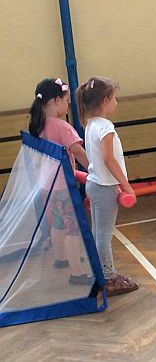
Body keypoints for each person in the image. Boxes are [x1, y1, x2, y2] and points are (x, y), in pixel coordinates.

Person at [76, 76, 139, 295]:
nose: (116, 102)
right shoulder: (105, 127)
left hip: (95, 185)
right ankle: (108, 276)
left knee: (98, 232)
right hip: (103, 188)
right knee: (104, 234)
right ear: (104, 101)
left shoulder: (90, 124)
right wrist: (126, 185)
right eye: (114, 98)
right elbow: (108, 159)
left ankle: (99, 272)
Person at [29, 77, 91, 285]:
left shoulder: (38, 125)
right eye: (66, 101)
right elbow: (78, 151)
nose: (67, 105)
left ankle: (61, 258)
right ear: (56, 101)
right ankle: (77, 273)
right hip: (63, 187)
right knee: (73, 228)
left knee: (57, 223)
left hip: (47, 186)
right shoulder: (61, 126)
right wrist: (94, 169)